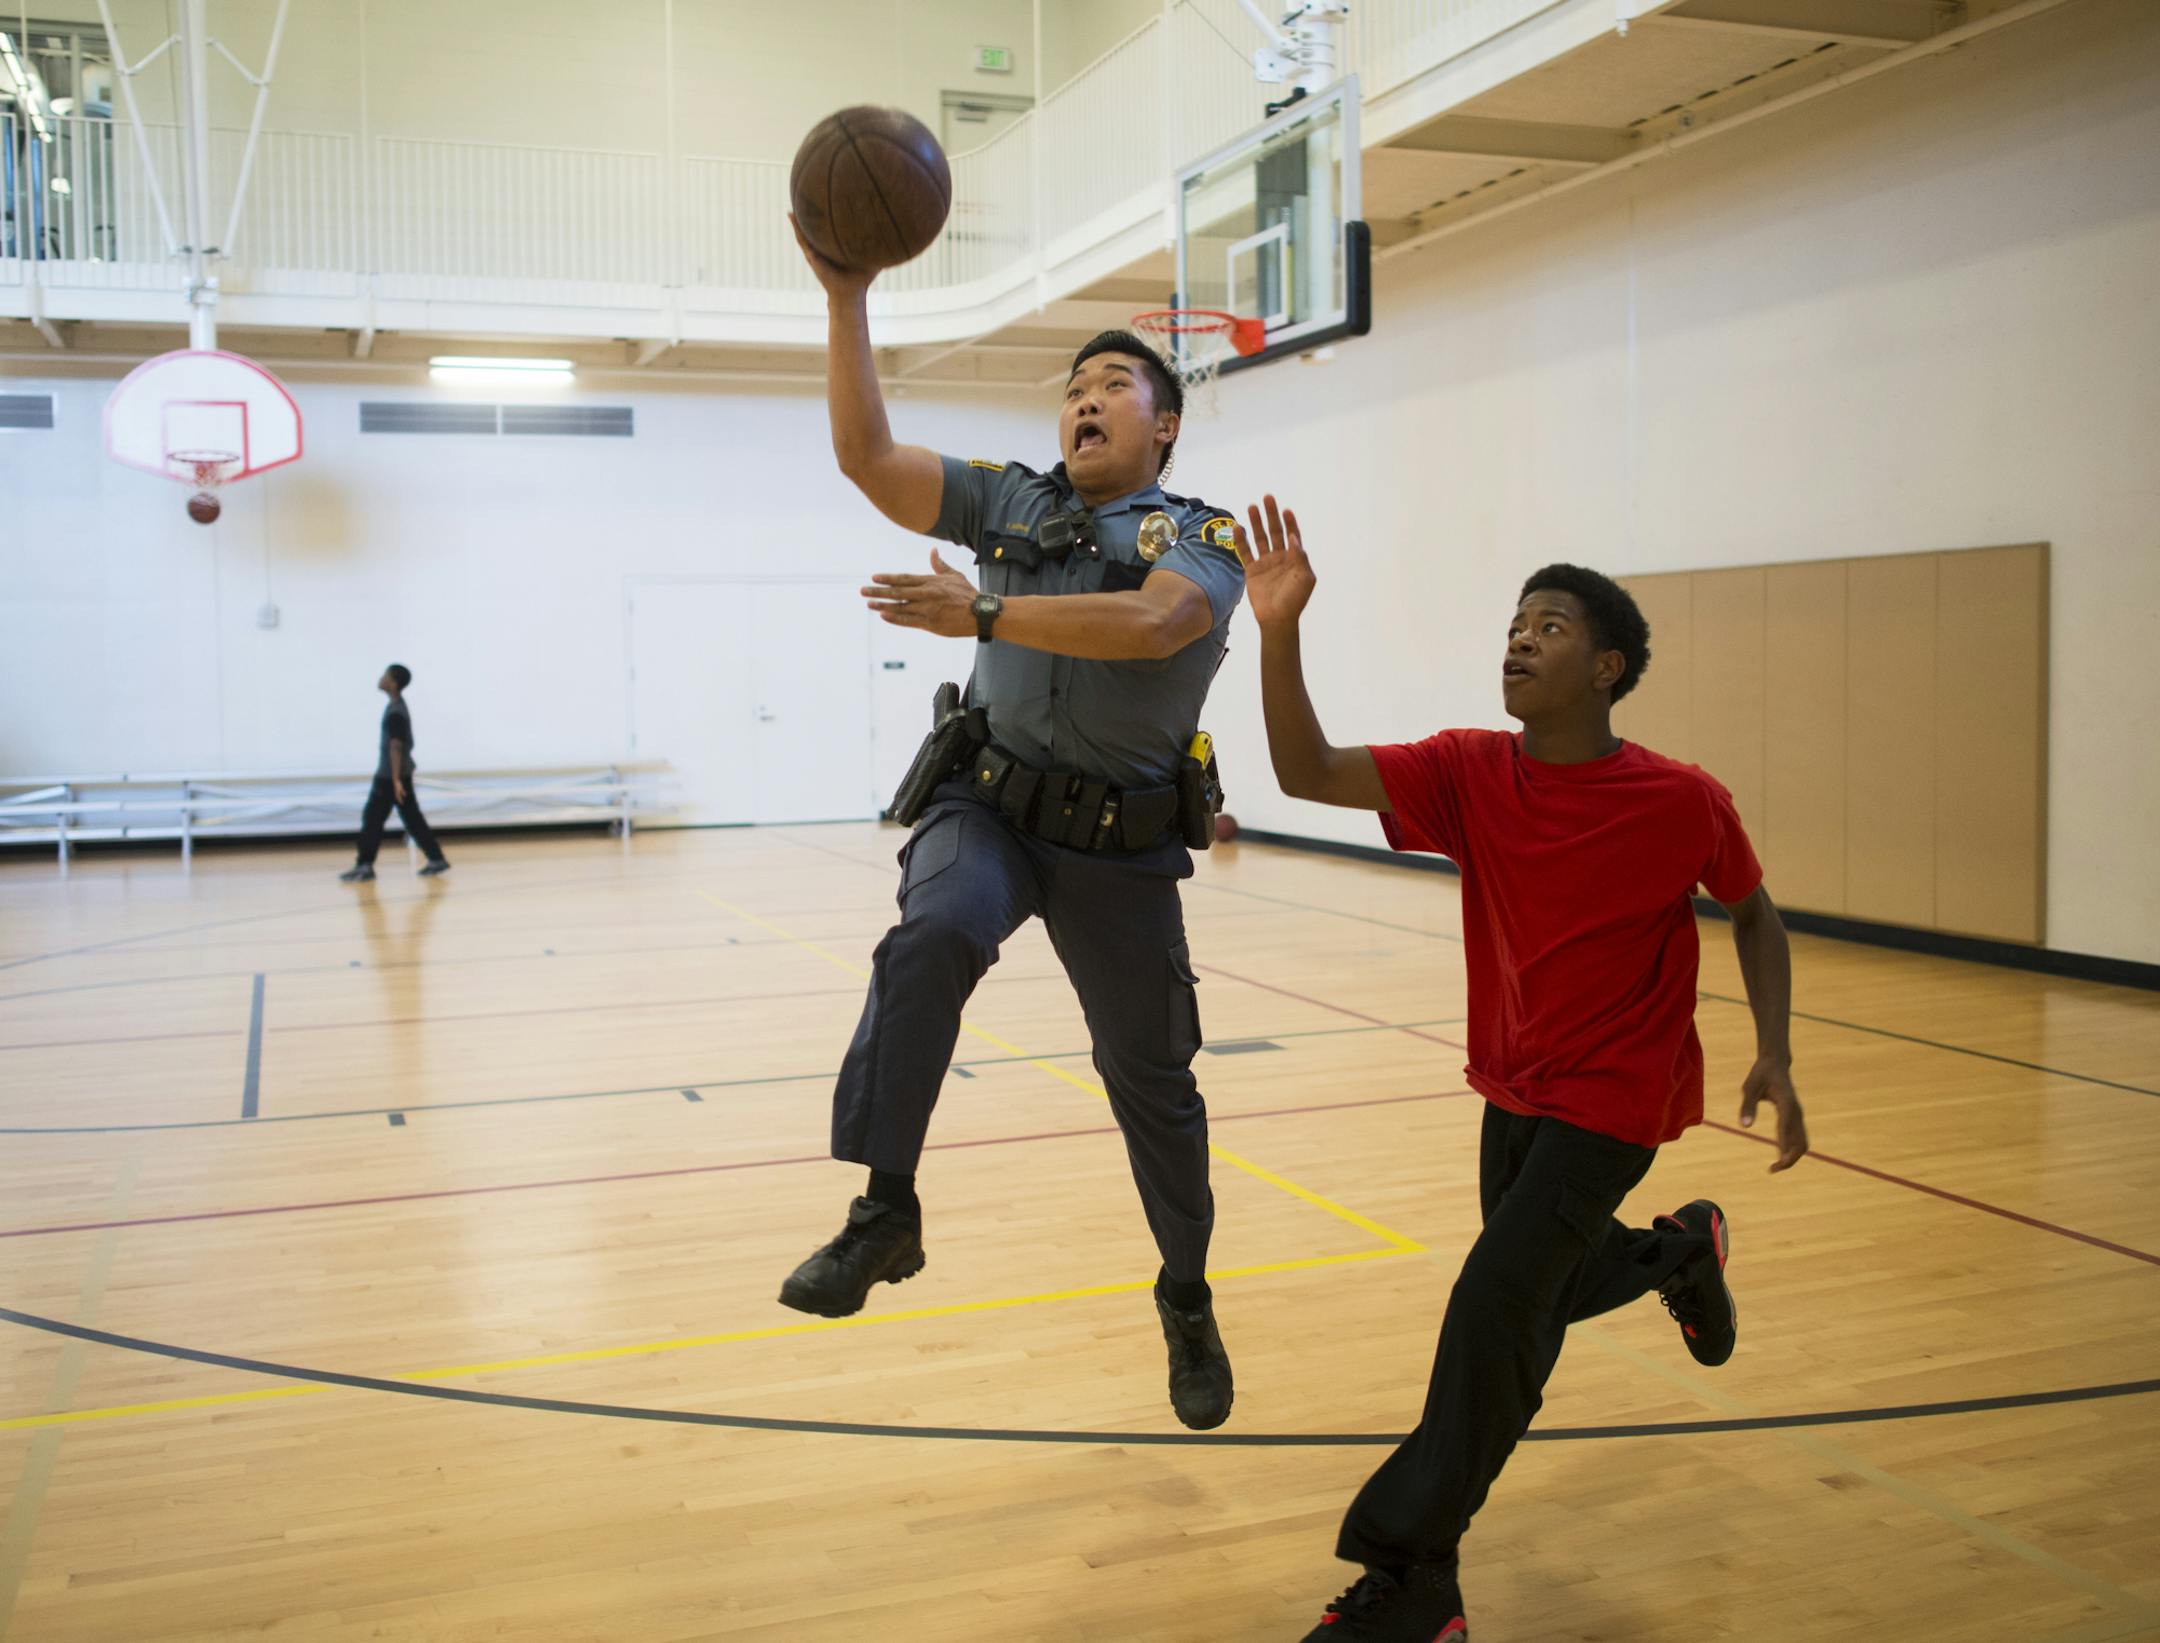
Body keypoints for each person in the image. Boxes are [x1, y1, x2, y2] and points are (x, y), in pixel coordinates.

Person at [1235, 498, 1810, 1639]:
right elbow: (1303, 772)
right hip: (1512, 1086)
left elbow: (1754, 912)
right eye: (1513, 621)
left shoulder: (1680, 798)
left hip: (1617, 1100)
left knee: (1498, 1306)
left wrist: (1776, 1052)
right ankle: (1677, 1250)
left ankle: (1414, 1574)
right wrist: (1279, 630)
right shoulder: (1467, 773)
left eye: (1547, 625)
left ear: (1606, 668)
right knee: (1540, 1283)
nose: (1518, 637)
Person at [774, 216, 1247, 1430]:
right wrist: (847, 297)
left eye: (1114, 387)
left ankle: (1186, 1295)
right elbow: (870, 458)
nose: (1085, 403)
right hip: (989, 806)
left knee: (1156, 1082)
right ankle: (885, 1211)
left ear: (1165, 423)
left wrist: (982, 614)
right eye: (1074, 388)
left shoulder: (1202, 537)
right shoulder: (1011, 501)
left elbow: (1151, 627)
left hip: (1123, 843)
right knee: (931, 935)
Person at [340, 664, 450, 882]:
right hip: (397, 775)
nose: (380, 679)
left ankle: (364, 865)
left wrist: (396, 780)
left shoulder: (396, 711)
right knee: (412, 818)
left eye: (385, 676)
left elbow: (396, 746)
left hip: (390, 777)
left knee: (372, 818)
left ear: (393, 683)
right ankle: (436, 858)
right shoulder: (396, 707)